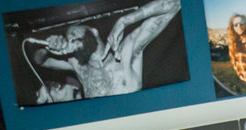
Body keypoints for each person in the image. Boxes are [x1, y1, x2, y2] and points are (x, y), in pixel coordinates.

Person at [30, 0, 180, 101]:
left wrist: (124, 20)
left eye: (74, 33)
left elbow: (175, 3)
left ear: (93, 31)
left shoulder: (127, 51)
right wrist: (47, 47)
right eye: (68, 38)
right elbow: (40, 61)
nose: (70, 38)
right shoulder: (78, 66)